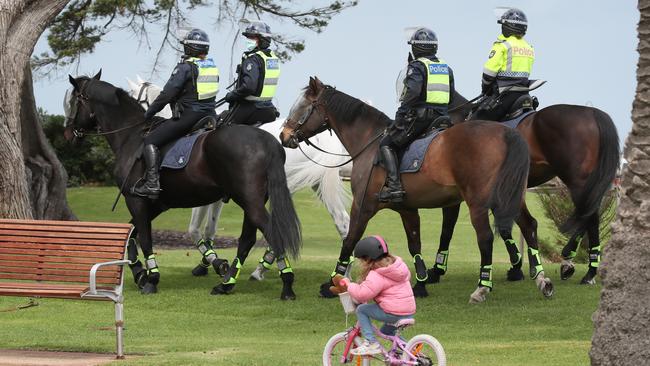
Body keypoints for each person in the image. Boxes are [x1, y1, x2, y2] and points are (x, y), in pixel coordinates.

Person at [132, 28, 219, 199]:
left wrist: (150, 112)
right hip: (209, 115)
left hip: (189, 117)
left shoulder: (185, 68)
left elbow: (167, 94)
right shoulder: (210, 66)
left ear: (191, 49)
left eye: (186, 46)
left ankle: (152, 184)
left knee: (151, 140)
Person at [379, 27, 455, 203]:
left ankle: (394, 188)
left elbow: (412, 94)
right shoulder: (445, 68)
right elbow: (450, 97)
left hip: (422, 118)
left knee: (387, 144)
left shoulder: (417, 66)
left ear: (416, 48)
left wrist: (400, 116)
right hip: (442, 118)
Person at [329, 236, 416, 356]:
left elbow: (362, 294)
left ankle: (371, 343)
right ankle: (411, 353)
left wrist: (349, 285)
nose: (361, 263)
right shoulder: (397, 267)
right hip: (409, 310)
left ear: (368, 258)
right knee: (387, 332)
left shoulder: (377, 274)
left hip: (393, 312)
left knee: (362, 310)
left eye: (361, 260)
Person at [474, 8, 534, 121]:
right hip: (524, 95)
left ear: (508, 27)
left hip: (505, 95)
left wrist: (485, 90)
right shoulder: (529, 48)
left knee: (474, 123)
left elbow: (488, 74)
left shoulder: (503, 45)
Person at [221, 21, 280, 126]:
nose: (249, 40)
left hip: (251, 107)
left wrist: (232, 95)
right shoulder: (272, 58)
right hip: (268, 106)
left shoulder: (253, 59)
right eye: (248, 37)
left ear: (261, 40)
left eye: (252, 38)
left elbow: (249, 87)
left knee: (222, 128)